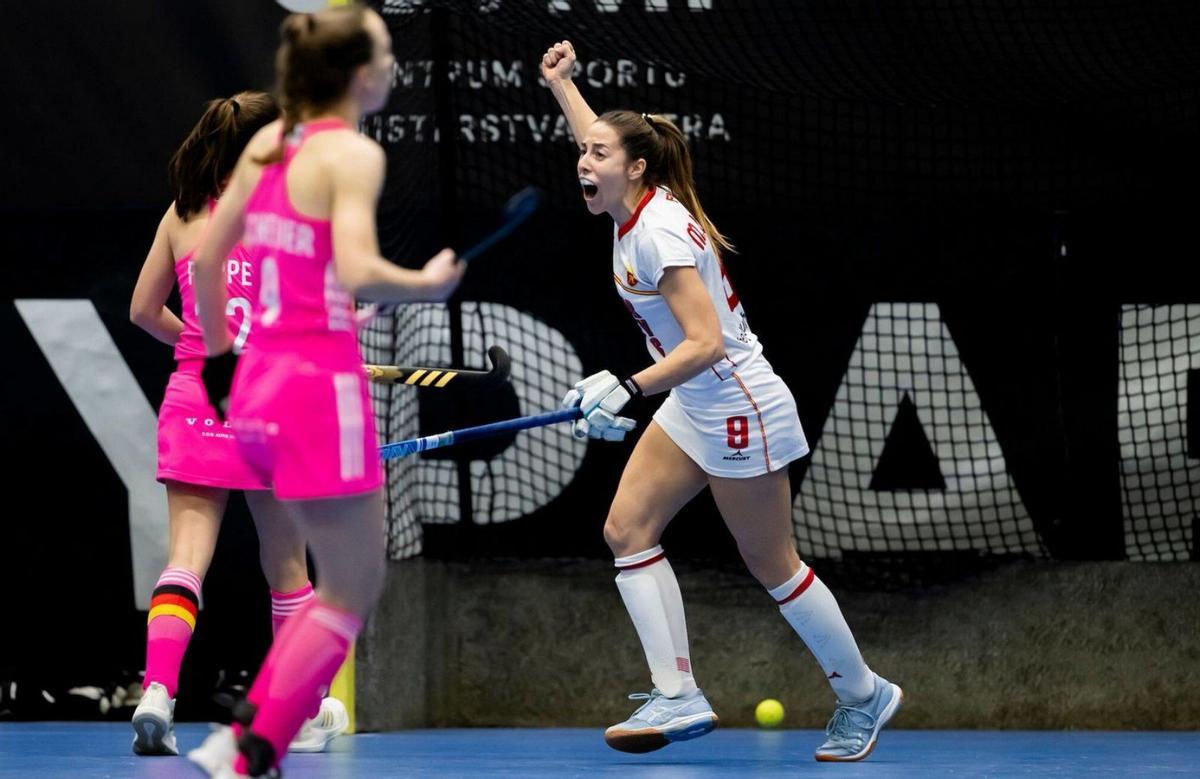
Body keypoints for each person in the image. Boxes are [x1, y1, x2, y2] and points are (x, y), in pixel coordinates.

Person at [541, 40, 902, 762]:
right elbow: (597, 139)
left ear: (635, 168)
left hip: (736, 402)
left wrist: (629, 384)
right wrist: (562, 85)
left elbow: (704, 343)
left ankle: (865, 694)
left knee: (773, 564)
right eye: (585, 152)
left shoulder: (660, 235)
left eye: (601, 155)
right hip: (694, 401)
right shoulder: (631, 200)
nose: (585, 161)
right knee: (626, 528)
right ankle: (678, 692)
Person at [187, 4, 464, 777]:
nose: (394, 68)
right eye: (383, 54)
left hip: (252, 384)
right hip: (319, 388)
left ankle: (245, 737)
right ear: (359, 74)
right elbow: (357, 264)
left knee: (327, 581)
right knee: (350, 587)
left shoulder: (269, 145)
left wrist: (217, 361)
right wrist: (426, 284)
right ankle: (247, 751)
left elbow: (210, 262)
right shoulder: (351, 155)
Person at [129, 90, 346, 757]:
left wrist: (203, 344)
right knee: (286, 566)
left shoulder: (184, 213)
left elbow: (144, 310)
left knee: (186, 559)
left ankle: (158, 691)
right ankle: (299, 716)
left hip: (196, 397)